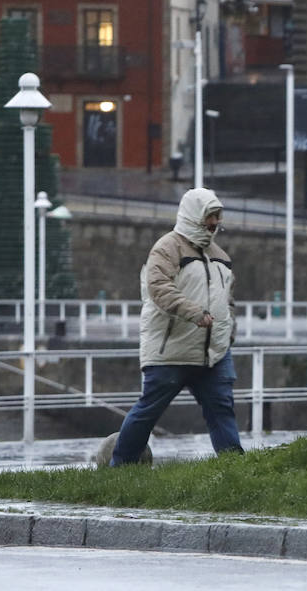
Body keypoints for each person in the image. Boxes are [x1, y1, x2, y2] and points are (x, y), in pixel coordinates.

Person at [110, 188, 243, 465]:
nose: (216, 222)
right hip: (170, 352)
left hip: (214, 354)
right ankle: (119, 466)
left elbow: (227, 299)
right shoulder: (166, 247)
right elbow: (158, 288)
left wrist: (229, 330)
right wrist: (193, 313)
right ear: (196, 215)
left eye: (218, 216)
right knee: (148, 411)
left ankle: (235, 468)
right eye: (211, 216)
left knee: (222, 410)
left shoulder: (220, 255)